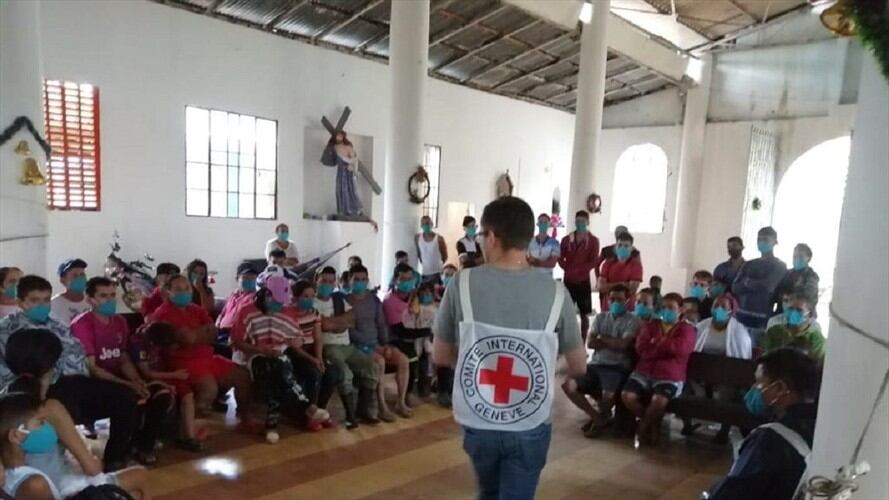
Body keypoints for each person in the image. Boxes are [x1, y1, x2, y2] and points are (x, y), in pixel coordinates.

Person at [433, 196, 586, 500]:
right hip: (529, 420)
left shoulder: (461, 283)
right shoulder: (557, 292)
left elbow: (440, 355)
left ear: (491, 236)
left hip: (478, 419)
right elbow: (579, 365)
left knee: (488, 493)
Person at [0, 275, 138, 472]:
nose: (42, 305)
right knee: (63, 402)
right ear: (21, 302)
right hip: (31, 387)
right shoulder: (7, 330)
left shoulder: (57, 326)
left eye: (46, 299)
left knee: (123, 397)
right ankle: (67, 460)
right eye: (35, 300)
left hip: (73, 381)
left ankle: (115, 459)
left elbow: (78, 356)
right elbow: (11, 371)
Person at [70, 277, 172, 465]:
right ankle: (115, 457)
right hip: (92, 383)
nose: (109, 300)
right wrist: (128, 384)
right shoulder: (82, 325)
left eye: (112, 295)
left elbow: (123, 356)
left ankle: (143, 446)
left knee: (160, 394)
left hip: (118, 378)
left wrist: (136, 380)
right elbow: (92, 368)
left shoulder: (119, 322)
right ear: (90, 299)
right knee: (130, 397)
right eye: (103, 296)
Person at [705, 348, 820, 500]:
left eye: (759, 382)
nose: (754, 389)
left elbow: (729, 495)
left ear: (780, 388)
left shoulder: (771, 439)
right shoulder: (820, 427)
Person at [149, 274, 258, 433]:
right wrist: (202, 333)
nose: (184, 292)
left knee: (242, 375)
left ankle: (244, 416)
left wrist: (197, 335)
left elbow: (213, 332)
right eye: (178, 289)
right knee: (209, 388)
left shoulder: (195, 309)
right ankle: (190, 428)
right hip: (182, 361)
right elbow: (188, 339)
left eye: (186, 288)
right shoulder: (164, 313)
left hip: (207, 357)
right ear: (168, 291)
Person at [230, 274, 329, 443]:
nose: (279, 306)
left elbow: (297, 338)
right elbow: (236, 342)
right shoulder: (246, 311)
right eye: (276, 302)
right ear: (266, 295)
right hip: (252, 356)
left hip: (278, 357)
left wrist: (293, 342)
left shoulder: (286, 311)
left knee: (277, 370)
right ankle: (306, 408)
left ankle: (272, 425)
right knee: (276, 367)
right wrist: (259, 349)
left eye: (281, 302)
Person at [0, 389, 148, 498]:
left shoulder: (16, 472)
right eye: (41, 423)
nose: (47, 427)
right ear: (16, 435)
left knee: (137, 482)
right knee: (136, 483)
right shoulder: (33, 483)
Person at [562, 284, 640, 438]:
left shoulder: (633, 320)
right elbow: (590, 343)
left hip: (616, 367)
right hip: (595, 364)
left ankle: (601, 419)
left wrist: (602, 339)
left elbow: (623, 345)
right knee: (568, 385)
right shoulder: (600, 317)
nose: (615, 302)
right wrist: (613, 342)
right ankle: (597, 417)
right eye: (612, 299)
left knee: (608, 395)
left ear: (627, 301)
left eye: (619, 299)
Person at [621, 293, 696, 446]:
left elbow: (681, 349)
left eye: (671, 308)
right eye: (663, 307)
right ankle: (652, 424)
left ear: (680, 310)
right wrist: (665, 347)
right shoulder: (650, 326)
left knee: (659, 400)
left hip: (670, 375)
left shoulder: (687, 330)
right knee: (627, 396)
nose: (666, 311)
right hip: (644, 371)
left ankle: (642, 427)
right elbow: (642, 349)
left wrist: (657, 342)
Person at [314, 266, 380, 429]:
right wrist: (339, 322)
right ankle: (350, 416)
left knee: (371, 367)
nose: (328, 284)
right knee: (345, 373)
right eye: (324, 281)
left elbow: (351, 320)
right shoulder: (313, 302)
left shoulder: (338, 299)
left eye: (331, 281)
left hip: (347, 346)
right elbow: (324, 326)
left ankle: (362, 411)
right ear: (317, 281)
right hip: (329, 347)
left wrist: (333, 322)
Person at [347, 264, 412, 420]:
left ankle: (400, 402)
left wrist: (387, 344)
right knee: (380, 362)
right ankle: (382, 407)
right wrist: (370, 345)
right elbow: (349, 330)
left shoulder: (374, 300)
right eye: (357, 279)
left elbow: (381, 324)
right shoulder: (345, 301)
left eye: (363, 279)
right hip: (356, 345)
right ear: (349, 280)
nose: (360, 282)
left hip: (377, 343)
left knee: (403, 360)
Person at [129, 321, 206, 452]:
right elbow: (147, 373)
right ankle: (144, 441)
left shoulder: (159, 335)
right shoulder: (138, 345)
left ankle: (189, 437)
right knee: (161, 397)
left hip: (164, 375)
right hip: (143, 380)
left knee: (187, 393)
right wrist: (173, 375)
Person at [690, 295, 753, 443]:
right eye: (715, 306)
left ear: (731, 311)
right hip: (701, 372)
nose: (719, 309)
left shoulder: (739, 331)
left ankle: (724, 430)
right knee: (689, 381)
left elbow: (741, 360)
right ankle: (689, 423)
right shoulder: (701, 326)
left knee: (728, 390)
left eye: (723, 307)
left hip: (726, 376)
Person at [285, 280, 340, 428]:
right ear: (295, 297)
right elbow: (294, 345)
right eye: (305, 296)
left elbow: (318, 336)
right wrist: (313, 360)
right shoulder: (287, 314)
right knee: (313, 373)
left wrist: (319, 357)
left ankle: (320, 411)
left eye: (311, 296)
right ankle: (308, 415)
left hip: (311, 350)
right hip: (296, 352)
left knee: (331, 373)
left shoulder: (314, 312)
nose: (309, 299)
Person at [384, 264, 433, 398]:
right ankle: (406, 394)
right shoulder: (390, 301)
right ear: (395, 280)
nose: (407, 282)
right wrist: (428, 331)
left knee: (428, 353)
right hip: (397, 340)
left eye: (410, 279)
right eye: (403, 279)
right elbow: (400, 331)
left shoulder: (414, 295)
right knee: (411, 358)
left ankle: (424, 387)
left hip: (416, 336)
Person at [732, 227, 787, 345]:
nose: (762, 242)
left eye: (766, 239)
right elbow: (735, 287)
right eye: (759, 239)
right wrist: (758, 285)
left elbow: (769, 286)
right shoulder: (749, 264)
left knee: (756, 355)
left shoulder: (779, 266)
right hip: (741, 316)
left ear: (775, 242)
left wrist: (747, 282)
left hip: (762, 319)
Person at [558, 210, 600, 339]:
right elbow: (560, 256)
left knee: (584, 314)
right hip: (569, 280)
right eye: (577, 221)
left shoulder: (593, 241)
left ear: (587, 222)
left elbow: (594, 261)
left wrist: (580, 270)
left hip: (583, 281)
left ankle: (582, 341)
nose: (580, 223)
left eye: (582, 221)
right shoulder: (567, 239)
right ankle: (563, 340)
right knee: (565, 312)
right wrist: (567, 268)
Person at [762, 293, 826, 362]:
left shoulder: (817, 340)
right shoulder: (774, 331)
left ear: (809, 314)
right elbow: (765, 358)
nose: (793, 313)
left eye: (799, 310)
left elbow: (816, 366)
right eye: (790, 308)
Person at [598, 231, 643, 314]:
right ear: (615, 247)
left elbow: (632, 289)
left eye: (626, 246)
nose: (622, 248)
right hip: (607, 306)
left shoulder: (636, 265)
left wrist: (610, 285)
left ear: (631, 248)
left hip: (627, 307)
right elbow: (601, 287)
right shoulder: (607, 263)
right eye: (620, 245)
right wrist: (623, 284)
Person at [775, 243, 820, 313]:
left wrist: (788, 297)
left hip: (802, 316)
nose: (796, 258)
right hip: (782, 314)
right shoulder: (787, 273)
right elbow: (777, 292)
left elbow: (808, 295)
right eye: (795, 256)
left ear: (808, 258)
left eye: (800, 256)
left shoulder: (811, 276)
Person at [216, 262, 259, 332]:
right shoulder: (233, 295)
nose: (250, 280)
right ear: (237, 279)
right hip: (220, 332)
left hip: (236, 334)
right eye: (246, 278)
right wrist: (218, 322)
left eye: (253, 278)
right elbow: (223, 313)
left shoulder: (255, 297)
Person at [330, 131, 364, 216]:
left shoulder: (348, 147)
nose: (338, 138)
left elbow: (353, 159)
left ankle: (351, 209)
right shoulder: (335, 147)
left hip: (348, 172)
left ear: (343, 137)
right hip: (340, 172)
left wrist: (351, 166)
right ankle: (342, 209)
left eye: (340, 136)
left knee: (349, 190)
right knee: (339, 189)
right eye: (337, 136)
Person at [49, 259, 91, 327]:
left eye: (82, 274)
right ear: (62, 280)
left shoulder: (93, 301)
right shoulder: (53, 305)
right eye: (75, 275)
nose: (80, 278)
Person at [415, 215, 448, 284]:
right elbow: (419, 253)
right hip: (425, 272)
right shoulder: (418, 238)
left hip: (437, 272)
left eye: (427, 223)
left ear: (431, 224)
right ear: (421, 225)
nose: (425, 226)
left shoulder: (439, 238)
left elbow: (444, 255)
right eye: (423, 224)